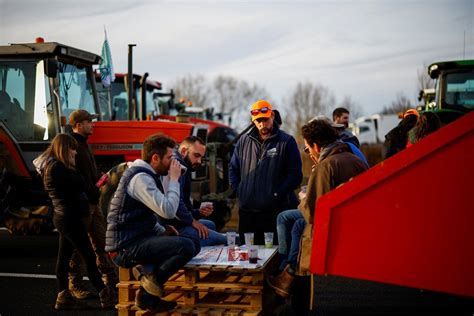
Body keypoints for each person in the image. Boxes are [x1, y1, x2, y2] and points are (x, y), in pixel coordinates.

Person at [268, 119, 368, 298]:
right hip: (356, 223)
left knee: (299, 225)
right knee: (293, 222)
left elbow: (314, 214)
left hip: (333, 230)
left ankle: (287, 273)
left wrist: (303, 198)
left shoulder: (326, 166)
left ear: (316, 145)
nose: (308, 153)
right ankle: (287, 272)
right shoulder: (354, 159)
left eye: (307, 148)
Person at [105, 133, 196, 313]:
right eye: (170, 157)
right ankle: (147, 290)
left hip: (135, 239)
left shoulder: (146, 174)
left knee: (192, 243)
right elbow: (168, 211)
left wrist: (162, 230)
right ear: (155, 158)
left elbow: (143, 213)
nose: (173, 161)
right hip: (123, 247)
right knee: (186, 246)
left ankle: (149, 291)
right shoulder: (140, 178)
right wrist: (174, 180)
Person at [34, 134, 115, 310]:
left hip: (65, 217)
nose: (75, 152)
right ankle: (103, 292)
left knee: (64, 257)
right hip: (70, 219)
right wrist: (90, 182)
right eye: (72, 148)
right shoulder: (59, 169)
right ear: (64, 149)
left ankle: (63, 296)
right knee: (88, 256)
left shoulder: (54, 167)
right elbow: (81, 185)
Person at [229, 100, 303, 245]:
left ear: (273, 116)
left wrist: (276, 193)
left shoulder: (287, 141)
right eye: (258, 121)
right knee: (247, 256)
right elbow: (233, 168)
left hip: (275, 213)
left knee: (273, 255)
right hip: (247, 213)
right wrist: (239, 191)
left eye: (265, 119)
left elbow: (295, 175)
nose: (262, 124)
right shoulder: (243, 141)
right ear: (253, 121)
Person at [67, 109, 118, 299]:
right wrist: (91, 187)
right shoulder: (72, 145)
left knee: (102, 241)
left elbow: (88, 172)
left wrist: (99, 178)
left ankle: (111, 282)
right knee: (77, 246)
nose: (93, 124)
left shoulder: (85, 145)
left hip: (93, 201)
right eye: (89, 122)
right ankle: (75, 285)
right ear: (79, 125)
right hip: (82, 203)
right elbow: (74, 176)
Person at [159, 136, 226, 248]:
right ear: (184, 151)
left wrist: (198, 212)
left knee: (210, 224)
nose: (199, 161)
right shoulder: (176, 166)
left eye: (201, 157)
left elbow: (184, 204)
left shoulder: (185, 166)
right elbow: (175, 204)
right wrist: (192, 221)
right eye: (196, 156)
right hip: (172, 227)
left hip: (178, 222)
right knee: (226, 240)